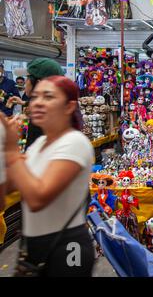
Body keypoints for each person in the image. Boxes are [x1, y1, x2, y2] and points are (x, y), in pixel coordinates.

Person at [0, 75, 95, 277]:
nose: (38, 103)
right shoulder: (38, 146)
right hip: (34, 248)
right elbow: (6, 193)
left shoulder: (75, 142)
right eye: (35, 97)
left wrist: (10, 151)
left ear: (69, 107)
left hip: (68, 249)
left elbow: (37, 198)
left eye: (48, 96)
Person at [9, 58, 64, 150]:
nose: (25, 82)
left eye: (27, 78)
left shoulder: (42, 117)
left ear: (39, 84)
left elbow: (32, 156)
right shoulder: (54, 108)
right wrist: (23, 103)